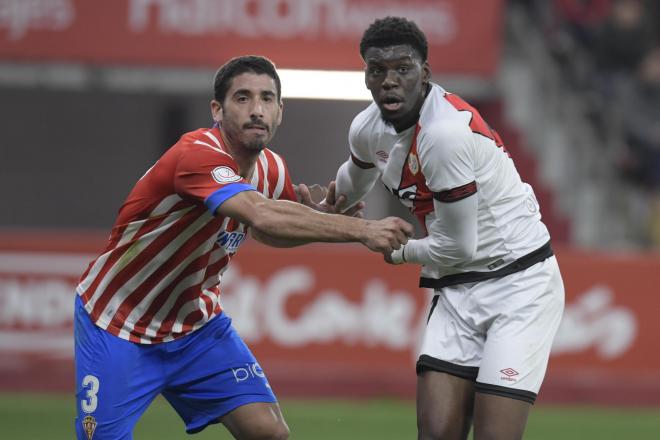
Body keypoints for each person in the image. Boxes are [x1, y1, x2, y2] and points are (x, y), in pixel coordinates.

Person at [73, 55, 413, 440]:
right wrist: (360, 229)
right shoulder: (197, 155)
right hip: (117, 322)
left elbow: (267, 233)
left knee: (270, 433)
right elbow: (264, 216)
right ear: (217, 109)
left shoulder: (272, 168)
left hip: (195, 328)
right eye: (243, 98)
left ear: (280, 111)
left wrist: (318, 218)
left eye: (267, 99)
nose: (257, 110)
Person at [323, 17, 565, 440]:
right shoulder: (367, 128)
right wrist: (325, 207)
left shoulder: (444, 135)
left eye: (403, 69)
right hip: (455, 287)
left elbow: (458, 246)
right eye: (378, 71)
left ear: (426, 74)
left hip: (520, 284)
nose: (390, 82)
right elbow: (353, 179)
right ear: (365, 76)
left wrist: (395, 249)